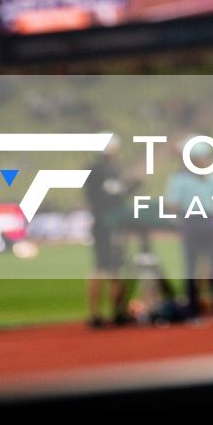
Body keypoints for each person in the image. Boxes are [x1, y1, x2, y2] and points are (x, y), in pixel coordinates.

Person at [164, 141, 213, 324]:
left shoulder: (179, 179)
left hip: (192, 223)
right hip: (209, 223)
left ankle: (195, 313)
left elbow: (172, 204)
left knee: (192, 269)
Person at [82, 136, 134, 327]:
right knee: (114, 268)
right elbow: (116, 196)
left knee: (99, 267)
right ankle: (117, 312)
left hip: (98, 223)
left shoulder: (90, 170)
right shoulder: (110, 172)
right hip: (111, 224)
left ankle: (95, 314)